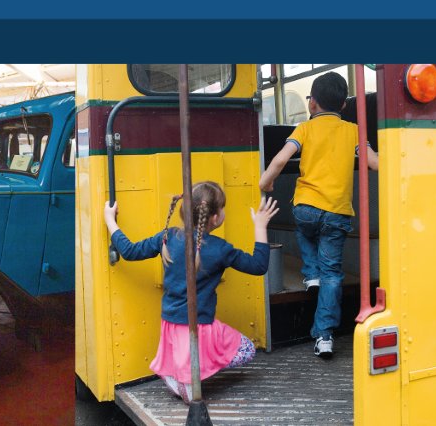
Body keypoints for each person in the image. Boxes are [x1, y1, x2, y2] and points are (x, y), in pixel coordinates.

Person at [103, 181, 279, 403]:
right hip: (199, 327)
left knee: (190, 358)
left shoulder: (167, 238)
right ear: (214, 218)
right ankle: (186, 382)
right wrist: (260, 226)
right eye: (222, 208)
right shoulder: (220, 248)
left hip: (171, 323)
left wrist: (110, 220)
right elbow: (258, 266)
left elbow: (129, 251)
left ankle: (180, 376)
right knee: (247, 350)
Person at [258, 72, 379, 359]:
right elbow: (373, 163)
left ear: (311, 104)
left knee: (304, 232)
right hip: (337, 211)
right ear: (344, 106)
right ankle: (324, 336)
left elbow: (280, 159)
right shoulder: (353, 131)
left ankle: (310, 274)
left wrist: (266, 182)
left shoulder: (303, 129)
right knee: (333, 273)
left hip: (306, 207)